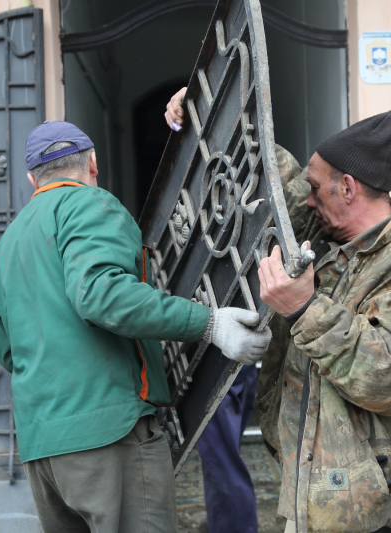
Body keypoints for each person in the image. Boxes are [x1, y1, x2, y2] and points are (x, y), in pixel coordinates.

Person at [167, 93, 391, 533]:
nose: (308, 201)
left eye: (317, 189)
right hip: (325, 490)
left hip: (370, 508)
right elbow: (276, 180)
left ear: (348, 187)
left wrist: (305, 308)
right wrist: (204, 109)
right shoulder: (335, 229)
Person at [0, 120, 271, 533]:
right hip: (109, 437)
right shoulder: (89, 204)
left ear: (32, 179)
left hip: (42, 448)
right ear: (94, 164)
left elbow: (9, 352)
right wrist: (211, 324)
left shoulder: (9, 241)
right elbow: (102, 296)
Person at [165, 87, 262, 533]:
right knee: (223, 451)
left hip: (225, 337)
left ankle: (234, 527)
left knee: (220, 456)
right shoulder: (220, 185)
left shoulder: (236, 185)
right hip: (235, 329)